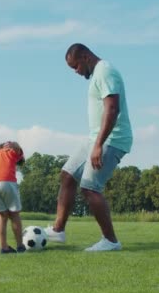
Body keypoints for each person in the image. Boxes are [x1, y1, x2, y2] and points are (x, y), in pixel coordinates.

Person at [45, 43, 133, 252]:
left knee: (90, 188)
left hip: (112, 139)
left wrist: (99, 146)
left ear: (85, 57)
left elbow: (112, 109)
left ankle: (110, 241)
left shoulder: (105, 71)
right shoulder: (96, 74)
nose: (76, 72)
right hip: (94, 139)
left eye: (76, 66)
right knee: (67, 175)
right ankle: (58, 230)